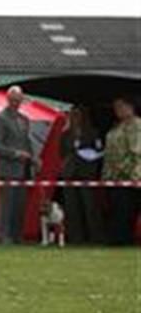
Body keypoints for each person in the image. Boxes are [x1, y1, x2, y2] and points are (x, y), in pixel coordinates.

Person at [0, 86, 39, 244]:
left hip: (23, 170)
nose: (16, 103)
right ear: (7, 99)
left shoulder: (24, 119)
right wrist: (16, 154)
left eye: (18, 100)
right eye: (13, 100)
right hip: (8, 169)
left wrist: (34, 159)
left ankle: (17, 235)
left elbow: (27, 143)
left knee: (20, 204)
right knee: (7, 205)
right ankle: (3, 235)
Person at [60, 105, 104, 244]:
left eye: (78, 114)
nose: (75, 117)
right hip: (69, 174)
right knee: (71, 206)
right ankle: (75, 238)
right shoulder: (65, 134)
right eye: (72, 115)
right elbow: (61, 153)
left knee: (90, 206)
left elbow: (99, 150)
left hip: (87, 173)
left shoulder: (93, 132)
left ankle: (95, 237)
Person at [102, 96, 141, 245]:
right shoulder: (117, 126)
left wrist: (135, 176)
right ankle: (118, 240)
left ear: (130, 106)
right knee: (117, 210)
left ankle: (123, 240)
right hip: (114, 177)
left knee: (125, 211)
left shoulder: (136, 125)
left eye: (120, 106)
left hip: (128, 177)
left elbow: (137, 152)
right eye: (115, 107)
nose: (117, 110)